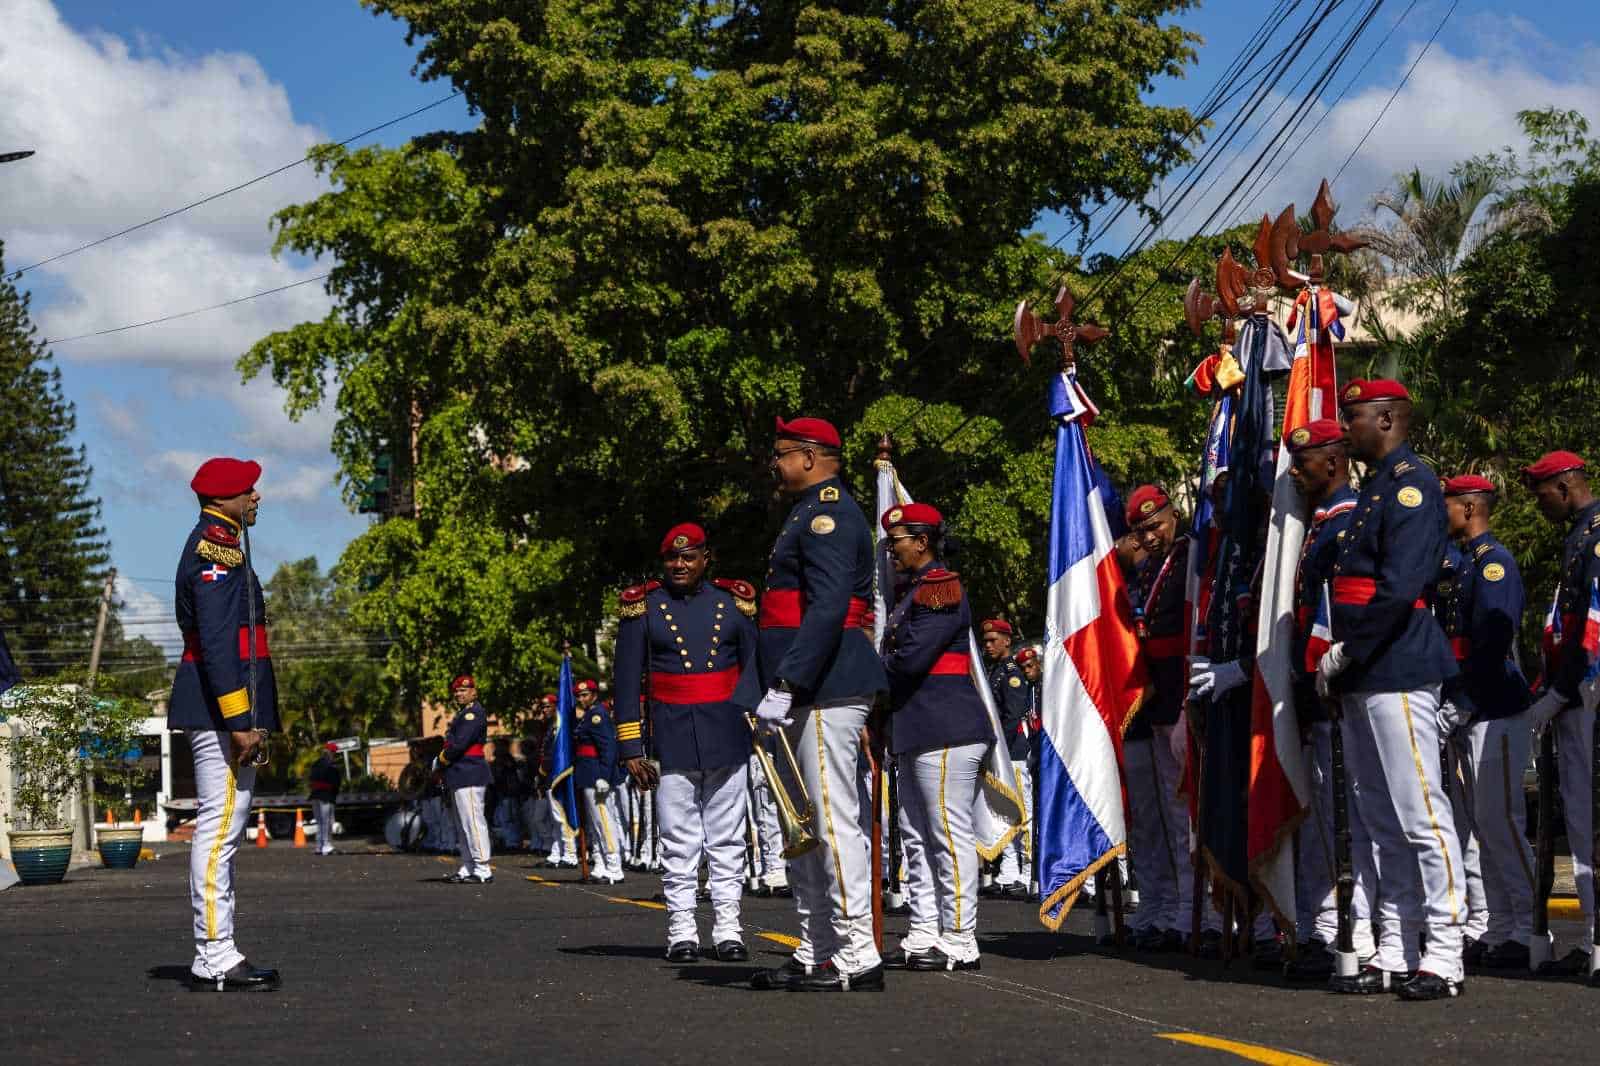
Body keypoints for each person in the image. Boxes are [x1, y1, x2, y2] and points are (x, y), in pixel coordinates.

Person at [1318, 378, 1465, 1000]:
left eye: (1352, 417)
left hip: (1397, 667)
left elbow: (1402, 585)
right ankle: (1400, 946)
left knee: (1421, 814)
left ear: (1386, 419)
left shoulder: (1412, 483)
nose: (1345, 428)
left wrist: (1349, 648)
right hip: (1364, 674)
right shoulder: (1378, 488)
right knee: (1381, 821)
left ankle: (1446, 951)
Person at [742, 415, 888, 992]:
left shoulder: (830, 513)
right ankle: (818, 946)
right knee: (800, 822)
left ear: (808, 455)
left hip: (825, 684)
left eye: (781, 454)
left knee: (830, 818)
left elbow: (827, 608)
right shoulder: (805, 512)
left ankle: (857, 952)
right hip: (804, 686)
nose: (775, 465)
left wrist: (788, 682)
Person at [613, 522, 759, 961]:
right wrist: (631, 747)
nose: (679, 564)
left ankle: (729, 929)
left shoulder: (733, 602)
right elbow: (625, 681)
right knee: (678, 840)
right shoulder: (645, 607)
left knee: (728, 839)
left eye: (688, 556)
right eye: (673, 558)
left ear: (705, 558)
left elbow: (755, 670)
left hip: (728, 731)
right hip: (672, 734)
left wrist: (762, 728)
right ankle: (681, 930)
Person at [169, 456, 280, 991]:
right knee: (218, 833)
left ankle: (218, 947)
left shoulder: (228, 543)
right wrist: (240, 720)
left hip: (225, 708)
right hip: (220, 711)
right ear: (222, 498)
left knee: (225, 831)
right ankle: (214, 953)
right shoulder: (215, 548)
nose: (257, 496)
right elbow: (216, 643)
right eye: (248, 489)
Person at [879, 503, 993, 971]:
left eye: (898, 541)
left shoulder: (939, 587)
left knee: (947, 834)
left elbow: (909, 660)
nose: (891, 550)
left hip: (945, 727)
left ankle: (961, 935)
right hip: (917, 726)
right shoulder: (911, 593)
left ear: (922, 542)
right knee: (916, 835)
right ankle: (926, 925)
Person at [1280, 419, 1374, 983]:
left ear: (1334, 462)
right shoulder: (1318, 527)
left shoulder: (1348, 525)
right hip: (1316, 696)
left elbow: (1342, 610)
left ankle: (1358, 931)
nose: (1297, 470)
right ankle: (1325, 926)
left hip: (1344, 690)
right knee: (1324, 817)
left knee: (1356, 818)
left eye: (1306, 459)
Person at [1437, 473, 1534, 971]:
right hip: (1473, 712)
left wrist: (1468, 700)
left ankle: (1527, 928)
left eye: (1448, 502)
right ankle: (1500, 926)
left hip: (1495, 711)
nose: (1442, 510)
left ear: (1470, 506)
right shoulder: (1468, 564)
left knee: (1503, 823)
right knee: (1482, 825)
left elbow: (1493, 642)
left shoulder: (1494, 564)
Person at [1523, 450, 1600, 975]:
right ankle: (1596, 937)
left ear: (1567, 485)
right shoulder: (1581, 533)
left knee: (1591, 817)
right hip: (1578, 696)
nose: (1540, 505)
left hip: (1591, 695)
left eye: (1542, 494)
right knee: (1581, 818)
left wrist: (1566, 688)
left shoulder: (1594, 535)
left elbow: (1590, 627)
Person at [1124, 484, 1197, 953]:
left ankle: (1193, 910)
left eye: (1155, 525)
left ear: (1173, 514)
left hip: (1180, 697)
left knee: (1180, 816)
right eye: (1141, 531)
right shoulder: (1149, 569)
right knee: (1149, 821)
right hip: (1149, 703)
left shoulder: (1191, 558)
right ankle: (1159, 905)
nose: (1150, 536)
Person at [978, 619, 1031, 898]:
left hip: (1012, 753)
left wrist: (996, 747)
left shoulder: (1011, 672)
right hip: (999, 754)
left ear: (1007, 641)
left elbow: (1012, 716)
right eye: (985, 641)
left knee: (1023, 811)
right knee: (1005, 810)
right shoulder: (994, 671)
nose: (987, 645)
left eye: (993, 640)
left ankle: (1029, 872)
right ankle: (1010, 869)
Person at [436, 675, 494, 884]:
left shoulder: (473, 714)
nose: (459, 694)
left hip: (470, 771)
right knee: (463, 824)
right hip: (461, 772)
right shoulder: (464, 713)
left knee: (473, 821)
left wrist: (441, 759)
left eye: (463, 690)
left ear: (473, 692)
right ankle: (469, 864)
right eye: (457, 691)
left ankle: (482, 867)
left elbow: (460, 744)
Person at [574, 679, 625, 884]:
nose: (582, 699)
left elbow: (608, 748)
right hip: (589, 774)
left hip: (597, 776)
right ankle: (601, 863)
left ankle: (614, 866)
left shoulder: (597, 715)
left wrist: (604, 775)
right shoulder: (588, 715)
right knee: (596, 824)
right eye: (579, 696)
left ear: (594, 695)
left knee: (605, 822)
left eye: (586, 695)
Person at [536, 693, 579, 868]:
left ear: (556, 707)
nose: (544, 710)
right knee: (554, 819)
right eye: (543, 707)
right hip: (548, 776)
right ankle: (556, 852)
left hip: (558, 776)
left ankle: (570, 854)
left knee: (562, 817)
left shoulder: (562, 728)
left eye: (547, 706)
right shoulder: (550, 727)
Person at [489, 739, 525, 850]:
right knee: (503, 820)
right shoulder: (500, 761)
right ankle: (509, 842)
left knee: (510, 819)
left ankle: (513, 843)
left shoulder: (508, 762)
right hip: (501, 794)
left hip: (508, 793)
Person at [308, 742, 342, 856]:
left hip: (315, 795)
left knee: (319, 823)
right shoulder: (331, 765)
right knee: (327, 822)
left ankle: (319, 846)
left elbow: (311, 779)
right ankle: (326, 846)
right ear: (332, 753)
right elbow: (335, 783)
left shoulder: (316, 763)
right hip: (326, 796)